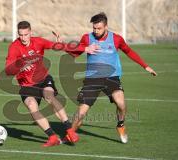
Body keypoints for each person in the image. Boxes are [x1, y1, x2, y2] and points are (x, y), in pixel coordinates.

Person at [65, 12, 157, 144]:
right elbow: (75, 54)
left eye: (99, 28)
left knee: (121, 103)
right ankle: (70, 135)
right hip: (92, 79)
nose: (96, 31)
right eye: (94, 28)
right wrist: (61, 46)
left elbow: (129, 51)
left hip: (111, 77)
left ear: (106, 26)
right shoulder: (87, 38)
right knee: (81, 112)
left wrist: (145, 66)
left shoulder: (116, 39)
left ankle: (120, 125)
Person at [5, 21, 84, 147]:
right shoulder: (14, 47)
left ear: (30, 32)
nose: (23, 38)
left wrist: (84, 48)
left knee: (50, 97)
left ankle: (69, 130)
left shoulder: (38, 42)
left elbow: (59, 46)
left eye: (26, 34)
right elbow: (8, 70)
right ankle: (52, 137)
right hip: (26, 85)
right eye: (21, 35)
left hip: (42, 79)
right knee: (32, 106)